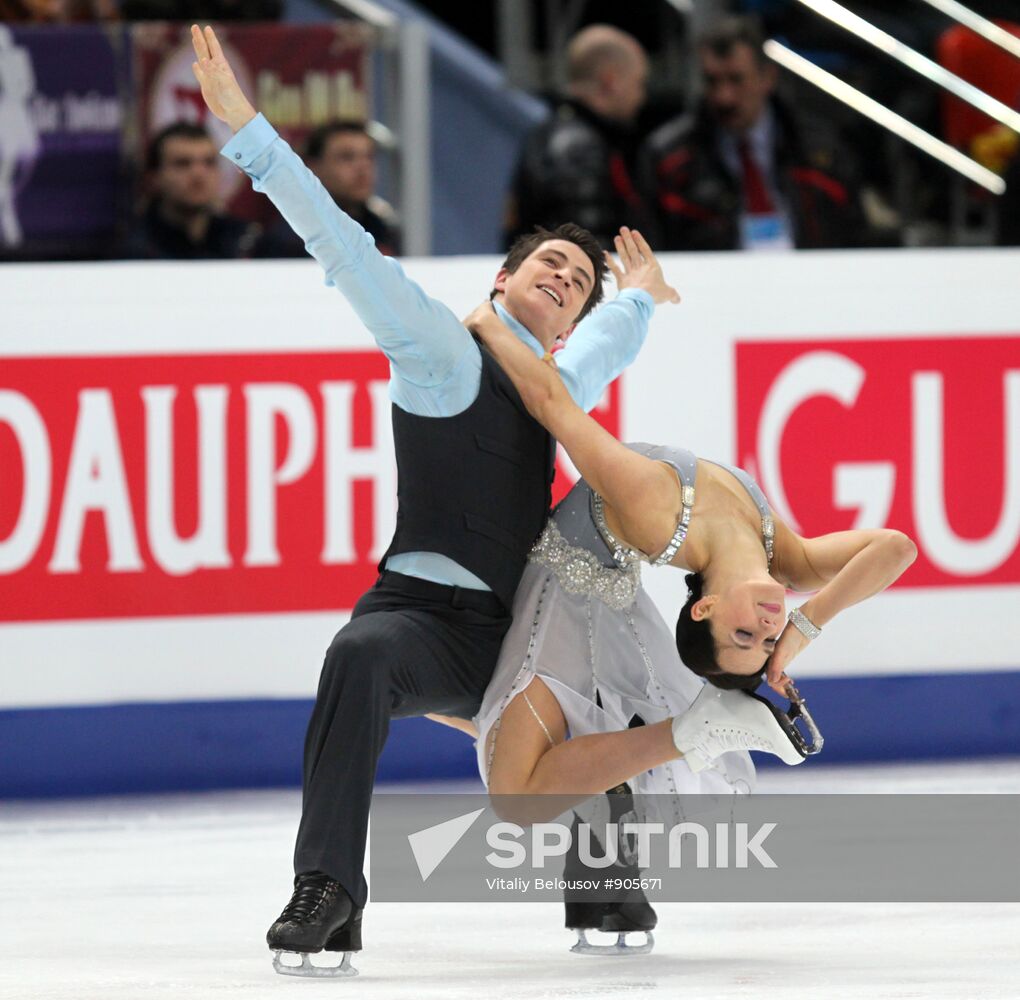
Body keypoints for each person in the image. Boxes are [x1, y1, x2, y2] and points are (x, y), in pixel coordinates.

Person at [189, 23, 681, 978]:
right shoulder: (439, 349)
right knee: (357, 657)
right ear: (504, 281)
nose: (563, 280)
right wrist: (250, 133)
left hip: (518, 625)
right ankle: (329, 890)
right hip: (421, 619)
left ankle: (607, 876)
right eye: (548, 267)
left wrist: (644, 298)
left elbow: (608, 345)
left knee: (610, 689)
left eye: (577, 284)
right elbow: (345, 248)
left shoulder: (556, 385)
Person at [462, 298, 916, 816]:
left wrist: (485, 324)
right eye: (766, 638)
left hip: (556, 606)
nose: (768, 626)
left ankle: (685, 734)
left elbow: (551, 402)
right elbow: (895, 548)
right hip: (609, 604)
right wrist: (802, 628)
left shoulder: (653, 511)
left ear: (705, 608)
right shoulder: (786, 558)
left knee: (516, 799)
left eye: (744, 634)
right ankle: (684, 734)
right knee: (498, 757)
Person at [640, 16, 868, 252]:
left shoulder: (822, 148)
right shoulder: (669, 158)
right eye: (712, 81)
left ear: (768, 77)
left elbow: (855, 236)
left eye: (736, 80)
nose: (724, 97)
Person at [504, 24, 652, 250]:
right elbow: (587, 246)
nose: (641, 97)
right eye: (639, 83)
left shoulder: (550, 132)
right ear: (610, 81)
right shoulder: (579, 147)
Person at [119, 122, 261, 260]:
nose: (198, 174)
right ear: (154, 177)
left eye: (209, 162)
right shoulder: (133, 250)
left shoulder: (245, 241)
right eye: (183, 163)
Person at [256, 121, 399, 258]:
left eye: (369, 157)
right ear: (311, 168)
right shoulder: (287, 239)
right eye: (347, 157)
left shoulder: (383, 229)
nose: (363, 168)